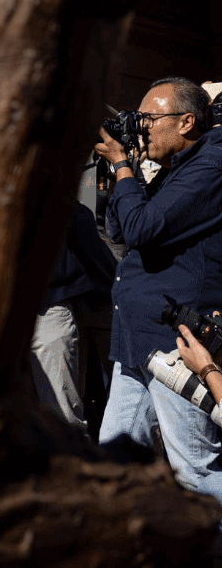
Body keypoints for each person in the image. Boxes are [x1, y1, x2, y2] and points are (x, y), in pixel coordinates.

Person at [94, 76, 222, 502]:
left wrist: (122, 165)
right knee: (114, 465)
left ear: (186, 122)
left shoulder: (211, 164)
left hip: (177, 347)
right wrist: (121, 168)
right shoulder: (174, 169)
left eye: (150, 117)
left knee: (195, 470)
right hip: (136, 340)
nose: (141, 126)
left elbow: (143, 228)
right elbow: (121, 228)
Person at [29, 202, 116, 437]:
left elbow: (98, 262)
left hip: (49, 307)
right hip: (0, 315)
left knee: (63, 423)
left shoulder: (58, 206)